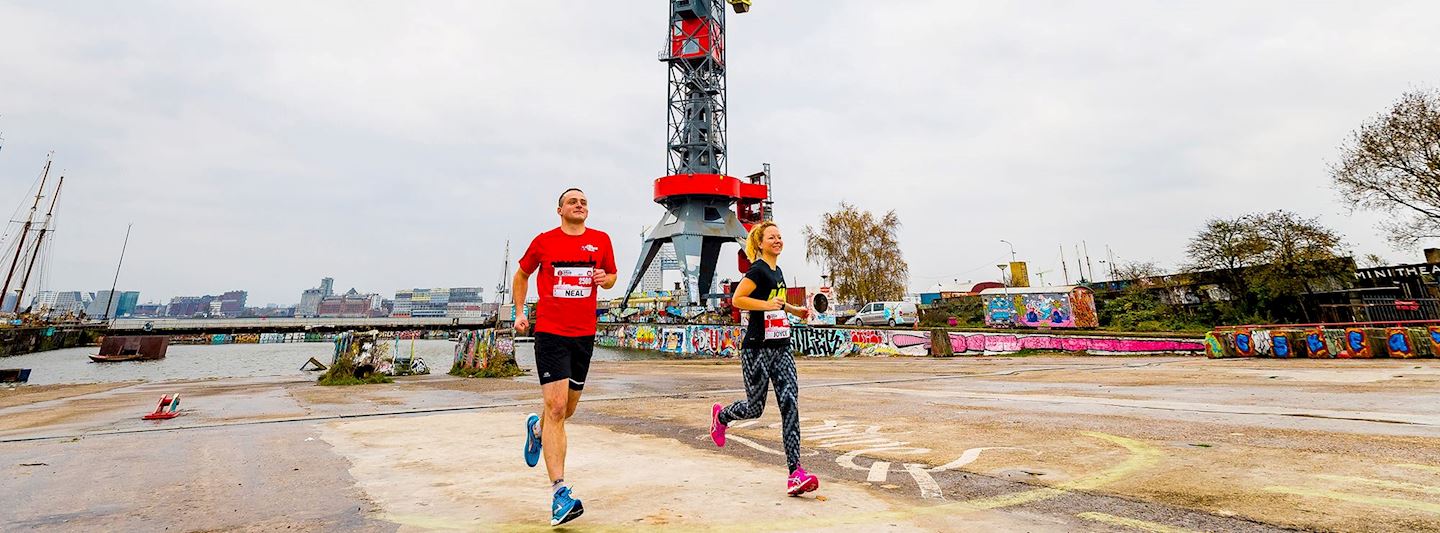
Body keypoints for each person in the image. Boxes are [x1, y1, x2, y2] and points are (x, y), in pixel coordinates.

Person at [513, 187, 617, 526]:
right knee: (556, 407)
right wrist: (519, 311)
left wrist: (606, 278)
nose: (580, 205)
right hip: (551, 333)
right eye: (573, 201)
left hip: (584, 335)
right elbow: (522, 274)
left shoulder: (601, 240)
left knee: (567, 410)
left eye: (584, 201)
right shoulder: (544, 241)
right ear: (559, 209)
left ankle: (537, 429)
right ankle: (559, 492)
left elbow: (612, 277)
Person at [708, 220, 818, 496]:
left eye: (780, 236)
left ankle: (796, 473)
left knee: (790, 403)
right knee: (755, 408)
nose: (778, 240)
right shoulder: (756, 270)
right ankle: (721, 417)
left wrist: (795, 311)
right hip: (756, 348)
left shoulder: (777, 271)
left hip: (781, 348)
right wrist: (766, 305)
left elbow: (776, 301)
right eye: (772, 237)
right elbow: (738, 299)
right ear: (760, 243)